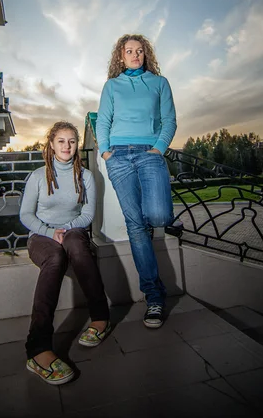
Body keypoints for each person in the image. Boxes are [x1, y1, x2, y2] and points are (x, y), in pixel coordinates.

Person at [20, 121, 110, 386]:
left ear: (77, 145)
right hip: (41, 235)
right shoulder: (38, 176)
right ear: (51, 144)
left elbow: (87, 214)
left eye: (72, 141)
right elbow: (26, 214)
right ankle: (37, 349)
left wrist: (65, 229)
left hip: (73, 230)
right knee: (56, 258)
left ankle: (101, 318)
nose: (67, 146)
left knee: (76, 246)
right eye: (61, 141)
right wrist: (50, 233)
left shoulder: (85, 176)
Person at [96, 34, 177, 329]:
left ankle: (155, 221)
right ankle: (154, 297)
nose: (134, 55)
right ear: (120, 56)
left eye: (139, 51)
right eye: (129, 51)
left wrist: (158, 149)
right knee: (135, 225)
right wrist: (105, 152)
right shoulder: (112, 86)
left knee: (158, 216)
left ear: (146, 55)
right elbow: (103, 120)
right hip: (117, 156)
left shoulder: (159, 83)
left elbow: (169, 120)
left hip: (149, 154)